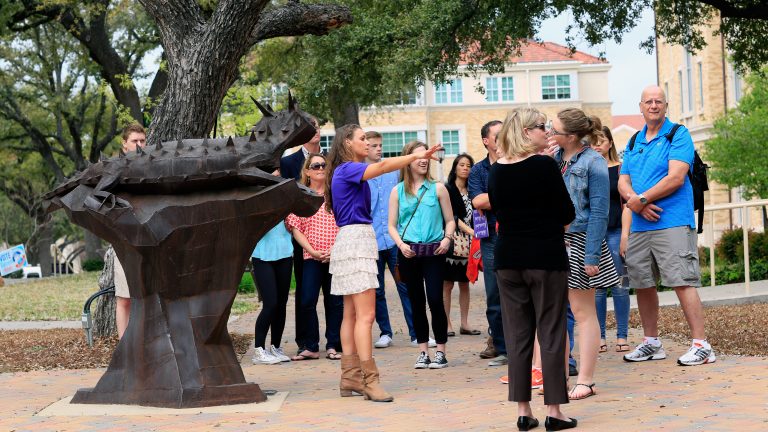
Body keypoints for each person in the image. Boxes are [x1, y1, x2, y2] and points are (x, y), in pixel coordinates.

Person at [326, 124, 441, 402]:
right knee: (365, 317)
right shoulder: (348, 169)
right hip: (357, 241)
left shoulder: (344, 171)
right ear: (347, 143)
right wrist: (416, 156)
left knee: (352, 315)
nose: (367, 143)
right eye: (362, 139)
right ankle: (369, 380)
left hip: (350, 240)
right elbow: (385, 165)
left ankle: (350, 377)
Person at [490, 107, 577, 431]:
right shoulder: (544, 165)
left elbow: (500, 210)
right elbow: (566, 212)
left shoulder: (497, 169)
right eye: (542, 127)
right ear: (527, 132)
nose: (547, 132)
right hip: (545, 257)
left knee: (518, 335)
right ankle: (555, 411)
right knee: (551, 332)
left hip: (508, 259)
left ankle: (524, 411)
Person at [618, 85, 714, 366]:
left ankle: (701, 345)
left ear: (666, 105)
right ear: (640, 106)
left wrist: (641, 199)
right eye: (648, 101)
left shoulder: (678, 134)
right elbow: (623, 180)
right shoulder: (634, 140)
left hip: (672, 221)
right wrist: (637, 202)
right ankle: (651, 343)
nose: (653, 105)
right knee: (643, 284)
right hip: (640, 225)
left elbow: (676, 177)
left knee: (682, 281)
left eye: (658, 101)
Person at [550, 108, 619, 400]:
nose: (550, 132)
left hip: (581, 241)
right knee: (557, 313)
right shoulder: (554, 159)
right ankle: (560, 376)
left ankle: (587, 380)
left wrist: (592, 255)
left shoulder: (594, 162)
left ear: (571, 135)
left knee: (582, 312)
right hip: (555, 241)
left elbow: (600, 213)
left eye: (554, 129)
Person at [388, 141, 456, 369]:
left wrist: (447, 239)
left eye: (426, 156)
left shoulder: (438, 188)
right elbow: (391, 225)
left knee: (435, 299)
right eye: (418, 156)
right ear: (408, 161)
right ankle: (423, 351)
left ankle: (441, 351)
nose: (424, 159)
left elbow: (450, 220)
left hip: (434, 251)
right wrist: (400, 245)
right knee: (416, 301)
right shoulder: (397, 191)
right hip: (409, 253)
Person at [286, 153, 343, 361]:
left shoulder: (336, 194)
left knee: (335, 302)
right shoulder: (302, 197)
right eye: (315, 165)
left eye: (323, 165)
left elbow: (345, 224)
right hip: (311, 257)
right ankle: (310, 345)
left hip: (334, 257)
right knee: (307, 300)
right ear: (307, 171)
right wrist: (311, 251)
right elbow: (295, 226)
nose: (320, 168)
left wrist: (334, 251)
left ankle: (333, 345)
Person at [364, 131, 418, 349]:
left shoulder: (393, 172)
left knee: (405, 285)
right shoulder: (362, 174)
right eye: (374, 145)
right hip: (372, 240)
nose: (378, 149)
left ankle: (416, 333)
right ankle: (385, 332)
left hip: (395, 239)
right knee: (377, 291)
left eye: (380, 145)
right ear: (365, 148)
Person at [280, 116, 322, 355]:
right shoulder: (289, 163)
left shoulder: (328, 160)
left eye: (317, 127)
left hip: (328, 234)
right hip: (300, 233)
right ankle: (305, 342)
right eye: (310, 127)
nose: (315, 131)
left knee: (331, 292)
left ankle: (334, 341)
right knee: (305, 293)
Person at [468, 120, 508, 367]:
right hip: (491, 239)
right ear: (486, 141)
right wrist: (509, 197)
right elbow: (477, 201)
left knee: (517, 293)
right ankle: (502, 348)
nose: (504, 137)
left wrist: (493, 199)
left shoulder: (516, 162)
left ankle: (521, 347)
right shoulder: (479, 171)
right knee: (495, 294)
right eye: (498, 134)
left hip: (516, 233)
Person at [590, 126, 631, 353]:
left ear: (610, 143)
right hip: (594, 235)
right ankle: (599, 337)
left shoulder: (620, 170)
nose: (598, 145)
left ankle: (622, 336)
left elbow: (628, 205)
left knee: (620, 286)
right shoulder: (586, 169)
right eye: (594, 141)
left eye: (602, 141)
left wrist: (625, 235)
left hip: (615, 232)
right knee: (596, 288)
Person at [442, 153, 481, 337]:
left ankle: (464, 323)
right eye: (462, 165)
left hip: (470, 244)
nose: (465, 168)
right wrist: (472, 231)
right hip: (452, 240)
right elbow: (452, 218)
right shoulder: (448, 189)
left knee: (465, 283)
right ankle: (447, 323)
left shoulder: (473, 189)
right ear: (455, 168)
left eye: (468, 165)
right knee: (447, 283)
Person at [114, 123, 146, 339]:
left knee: (144, 297)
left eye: (143, 141)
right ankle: (124, 349)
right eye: (135, 141)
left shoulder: (152, 167)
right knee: (124, 298)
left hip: (149, 240)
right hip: (124, 240)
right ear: (125, 145)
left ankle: (143, 345)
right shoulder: (114, 169)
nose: (140, 145)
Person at [250, 220, 293, 365]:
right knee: (270, 303)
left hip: (285, 251)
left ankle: (276, 347)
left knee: (281, 303)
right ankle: (259, 350)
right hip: (262, 254)